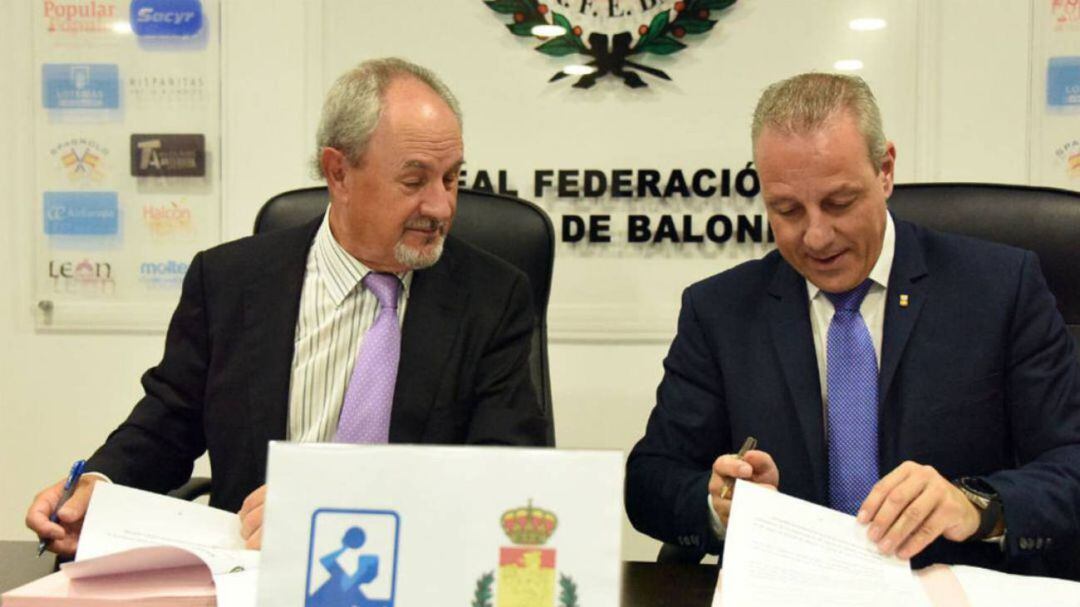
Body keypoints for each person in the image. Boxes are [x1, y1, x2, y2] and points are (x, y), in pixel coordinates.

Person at [27, 58, 548, 555]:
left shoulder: (490, 296)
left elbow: (507, 472)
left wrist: (327, 506)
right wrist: (99, 488)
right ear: (338, 172)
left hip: (413, 576)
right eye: (414, 181)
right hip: (251, 576)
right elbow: (168, 421)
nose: (441, 205)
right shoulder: (230, 282)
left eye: (452, 177)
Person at [625, 72, 1080, 576]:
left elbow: (1071, 462)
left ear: (885, 170)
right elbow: (650, 480)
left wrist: (976, 506)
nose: (816, 236)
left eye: (839, 203)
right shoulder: (720, 310)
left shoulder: (999, 288)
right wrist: (720, 505)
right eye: (787, 210)